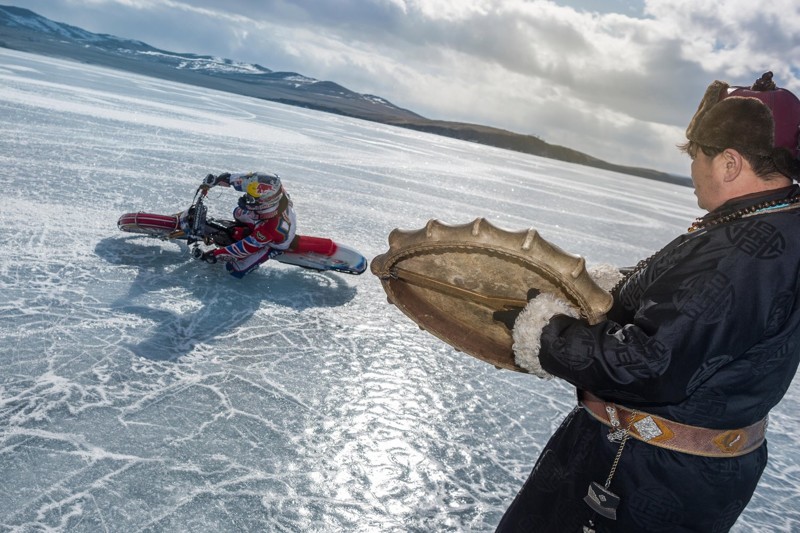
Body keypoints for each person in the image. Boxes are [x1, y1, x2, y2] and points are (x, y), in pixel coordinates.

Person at [494, 71, 800, 532]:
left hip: (638, 474)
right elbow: (692, 304)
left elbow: (649, 365)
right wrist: (608, 286)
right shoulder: (776, 223)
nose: (692, 170)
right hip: (689, 473)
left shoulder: (742, 253)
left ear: (731, 164)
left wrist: (542, 331)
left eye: (698, 155)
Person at [196, 171, 297, 278]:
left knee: (235, 270)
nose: (247, 196)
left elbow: (245, 248)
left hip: (274, 242)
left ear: (264, 201)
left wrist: (215, 254)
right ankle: (247, 231)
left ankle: (270, 250)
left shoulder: (271, 227)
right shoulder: (274, 189)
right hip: (264, 219)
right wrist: (219, 179)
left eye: (251, 197)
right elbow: (245, 181)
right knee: (237, 212)